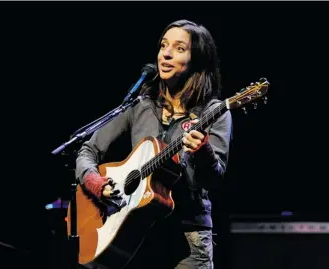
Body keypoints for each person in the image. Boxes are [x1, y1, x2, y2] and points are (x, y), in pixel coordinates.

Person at [75, 19, 233, 269]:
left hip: (188, 239)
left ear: (198, 60)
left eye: (179, 48)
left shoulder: (215, 112)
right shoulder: (141, 105)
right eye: (163, 46)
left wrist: (203, 152)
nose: (166, 54)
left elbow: (211, 180)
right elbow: (88, 150)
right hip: (137, 233)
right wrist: (96, 183)